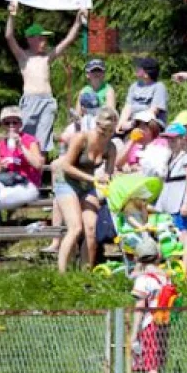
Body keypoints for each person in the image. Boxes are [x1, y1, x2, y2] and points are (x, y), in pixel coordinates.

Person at [5, 2, 86, 151]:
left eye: (45, 39)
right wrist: (12, 15)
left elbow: (67, 41)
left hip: (47, 101)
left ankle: (41, 168)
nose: (44, 42)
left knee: (43, 141)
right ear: (30, 39)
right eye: (41, 38)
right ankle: (28, 169)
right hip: (30, 101)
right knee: (27, 139)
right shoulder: (23, 56)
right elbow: (9, 36)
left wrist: (77, 22)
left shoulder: (47, 57)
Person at [55, 107, 118, 273]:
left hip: (88, 186)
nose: (106, 134)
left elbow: (108, 174)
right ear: (96, 124)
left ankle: (86, 271)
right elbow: (66, 166)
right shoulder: (81, 138)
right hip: (67, 182)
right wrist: (93, 179)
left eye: (111, 131)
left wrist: (106, 179)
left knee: (91, 228)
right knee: (75, 228)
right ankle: (61, 273)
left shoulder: (110, 148)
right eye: (103, 129)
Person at [129, 236, 170, 373]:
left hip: (148, 324)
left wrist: (134, 333)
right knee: (154, 360)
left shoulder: (143, 280)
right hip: (163, 322)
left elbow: (140, 307)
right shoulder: (165, 277)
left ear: (138, 258)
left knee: (150, 364)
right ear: (158, 255)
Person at [0, 106, 44, 227]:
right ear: (3, 125)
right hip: (9, 185)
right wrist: (2, 167)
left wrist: (21, 147)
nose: (11, 126)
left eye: (15, 122)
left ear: (20, 124)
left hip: (28, 185)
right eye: (7, 123)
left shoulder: (30, 141)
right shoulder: (1, 145)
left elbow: (38, 164)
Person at [155, 123, 187, 276]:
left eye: (173, 139)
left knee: (183, 235)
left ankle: (184, 271)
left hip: (178, 199)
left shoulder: (186, 157)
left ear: (181, 139)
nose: (170, 142)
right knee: (166, 232)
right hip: (167, 198)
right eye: (168, 139)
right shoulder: (169, 157)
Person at [120, 57, 169, 130]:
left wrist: (134, 123)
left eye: (139, 68)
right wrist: (121, 124)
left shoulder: (159, 87)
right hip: (132, 124)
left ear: (147, 73)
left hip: (150, 126)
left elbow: (152, 112)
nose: (136, 68)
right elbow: (127, 108)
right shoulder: (134, 86)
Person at [116, 111, 169, 177]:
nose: (139, 130)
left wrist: (140, 167)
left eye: (143, 127)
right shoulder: (133, 145)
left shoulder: (161, 143)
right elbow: (118, 164)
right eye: (137, 126)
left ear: (152, 127)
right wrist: (132, 140)